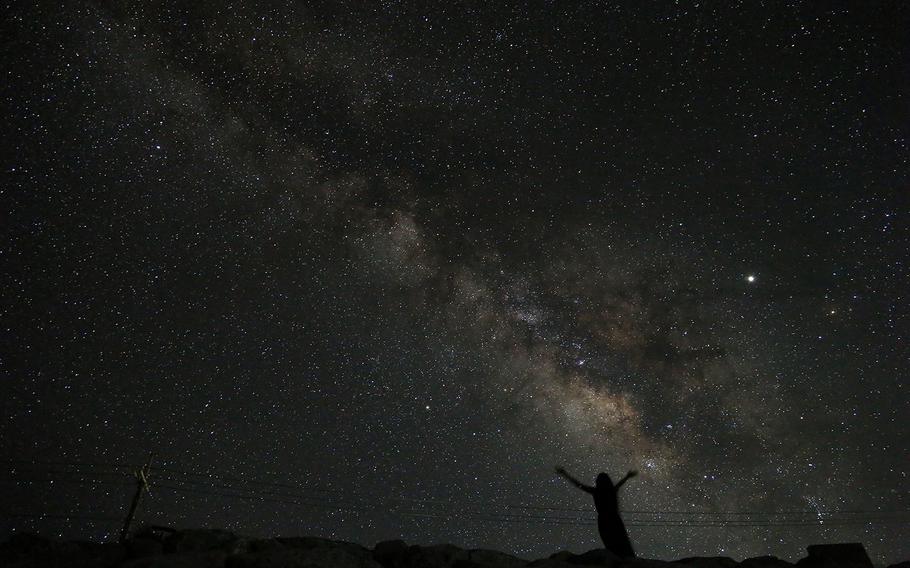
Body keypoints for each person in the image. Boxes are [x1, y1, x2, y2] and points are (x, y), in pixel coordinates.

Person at [555, 465, 638, 558]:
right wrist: (627, 476)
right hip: (614, 519)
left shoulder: (596, 491)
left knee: (610, 542)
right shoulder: (612, 490)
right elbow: (620, 483)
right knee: (621, 541)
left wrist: (565, 474)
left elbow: (578, 484)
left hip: (604, 521)